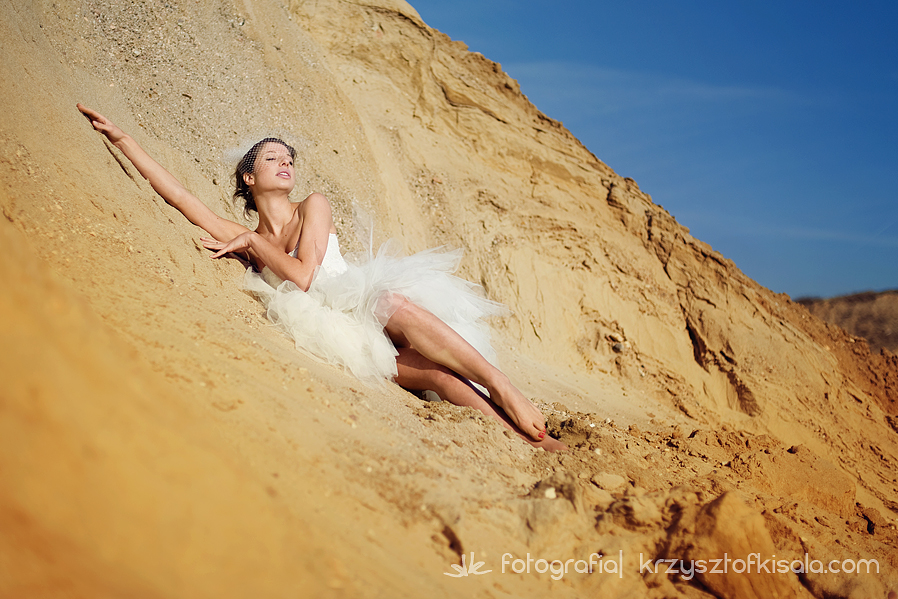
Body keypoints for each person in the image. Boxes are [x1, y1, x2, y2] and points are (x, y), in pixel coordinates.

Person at [77, 103, 566, 451]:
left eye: (289, 158)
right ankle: (532, 443)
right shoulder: (246, 235)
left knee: (391, 301)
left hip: (359, 302)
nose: (285, 162)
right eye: (272, 158)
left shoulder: (314, 206)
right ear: (249, 177)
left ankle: (502, 387)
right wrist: (123, 141)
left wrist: (253, 245)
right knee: (435, 373)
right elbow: (184, 199)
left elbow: (307, 276)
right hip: (340, 337)